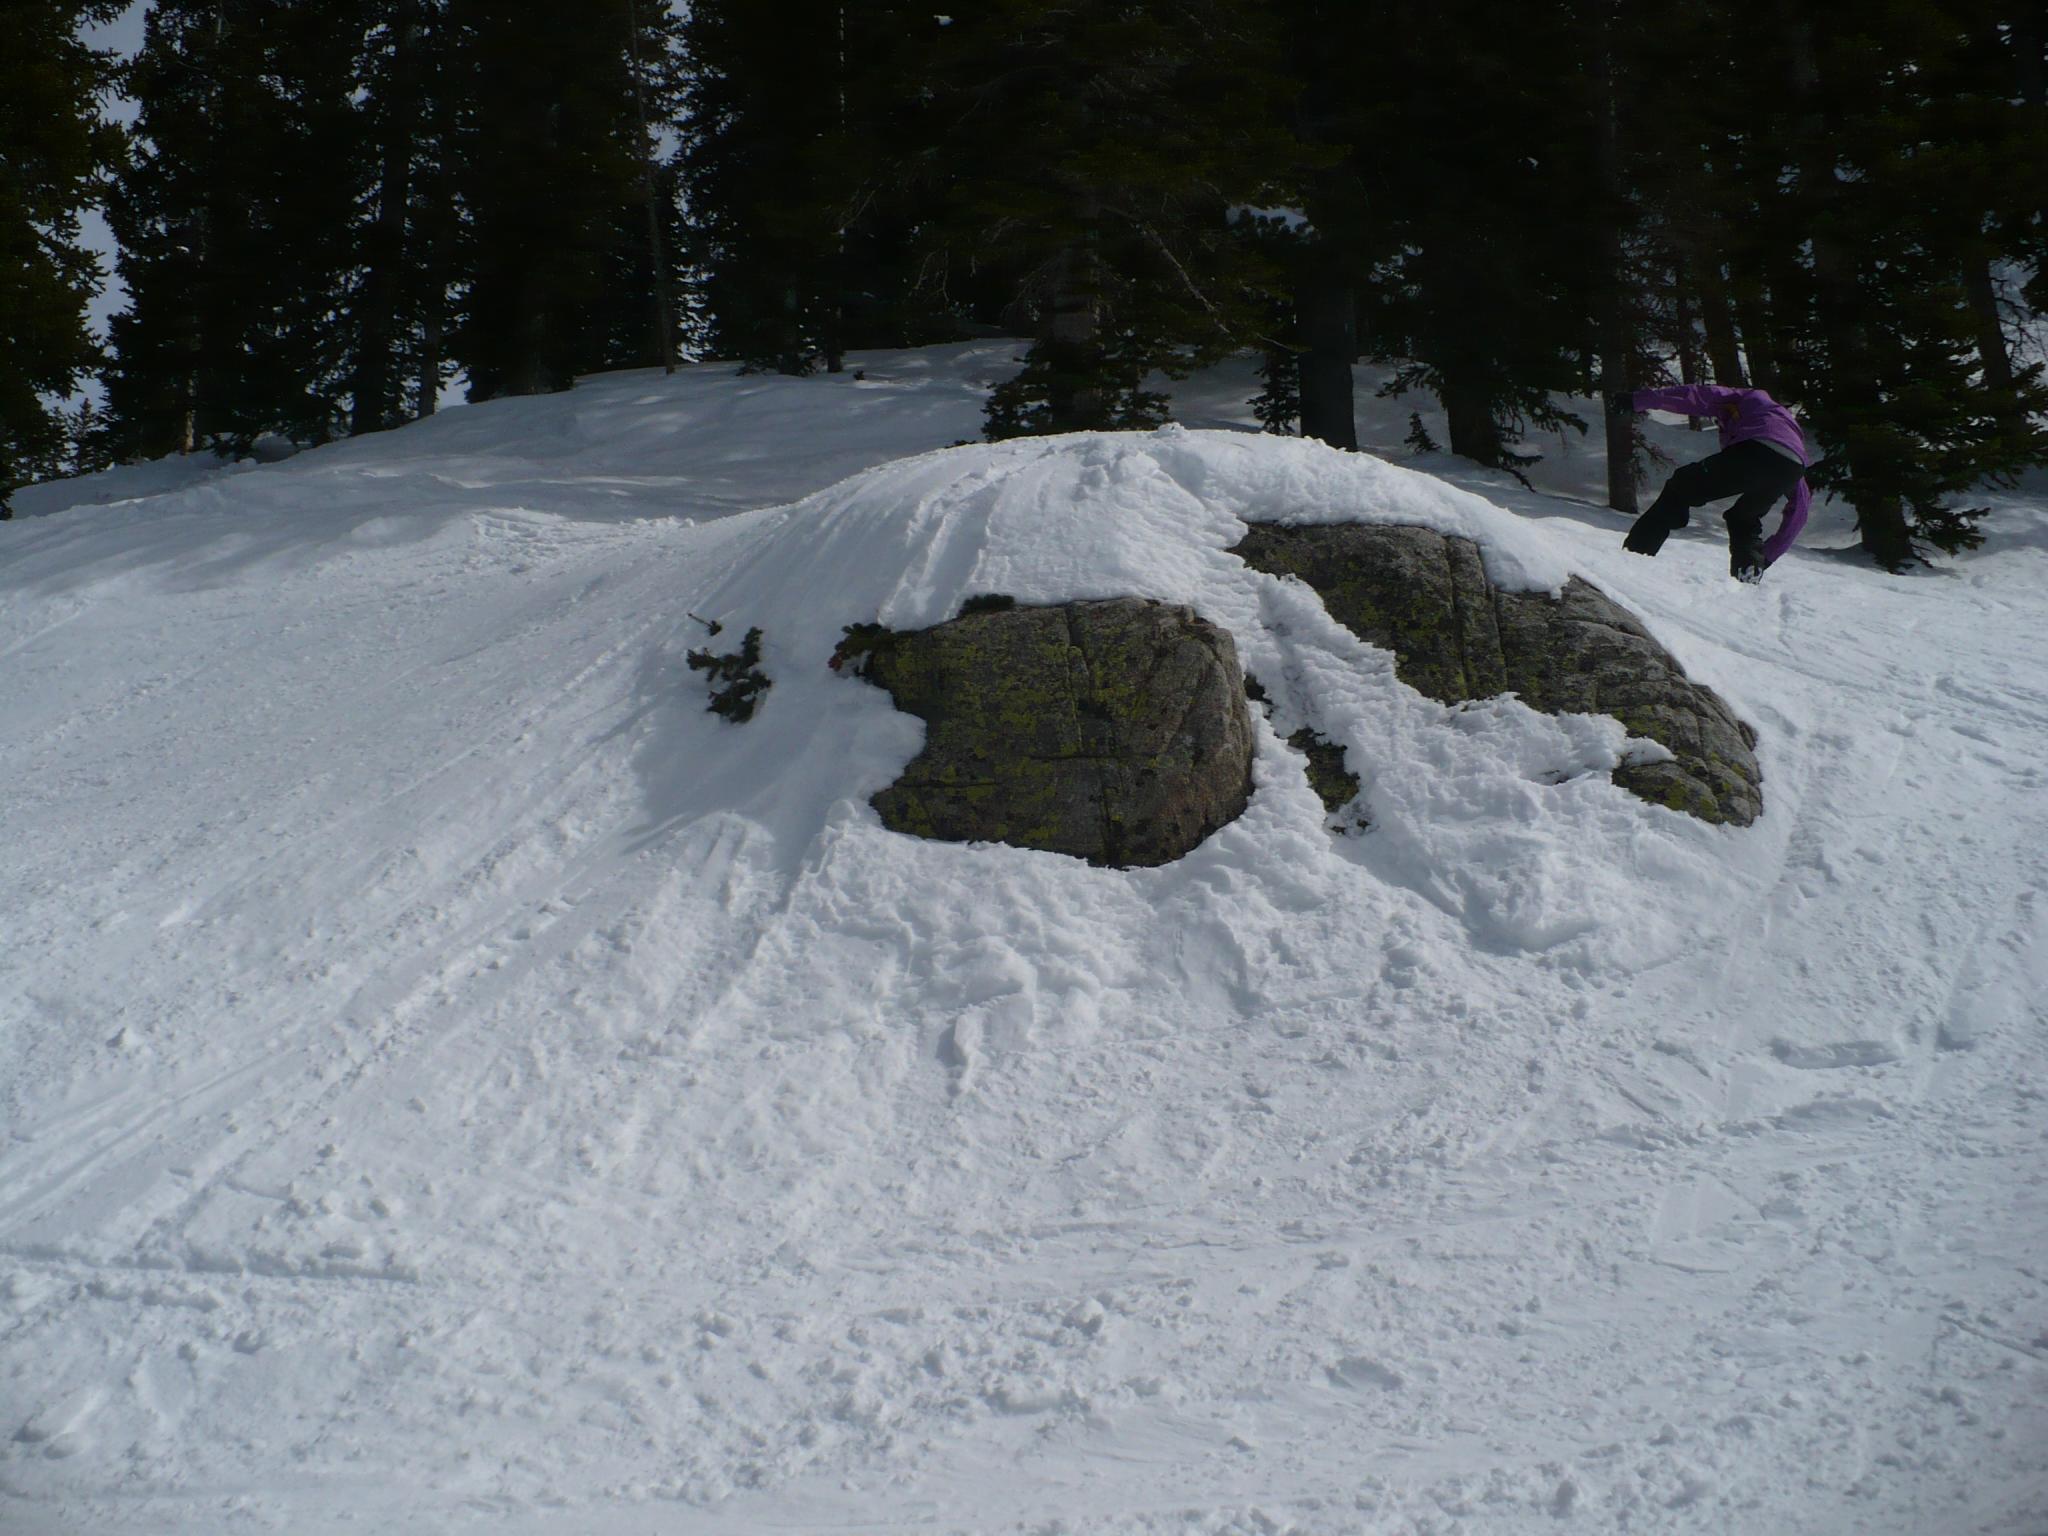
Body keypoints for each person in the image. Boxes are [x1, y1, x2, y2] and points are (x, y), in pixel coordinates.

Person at [1605, 383, 1810, 583]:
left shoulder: (1747, 398)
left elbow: (1695, 395)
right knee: (1744, 518)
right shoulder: (1789, 436)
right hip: (1791, 469)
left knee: (1682, 485)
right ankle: (1750, 568)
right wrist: (1769, 555)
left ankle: (1636, 553)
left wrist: (1636, 400)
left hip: (1756, 450)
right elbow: (1800, 510)